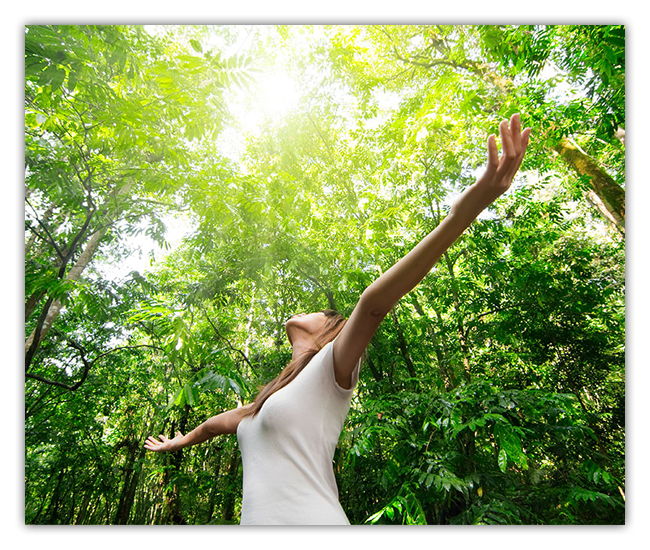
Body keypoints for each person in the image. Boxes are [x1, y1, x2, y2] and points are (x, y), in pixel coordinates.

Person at [144, 114, 532, 524]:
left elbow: (372, 303)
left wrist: (465, 210)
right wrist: (178, 442)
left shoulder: (332, 367)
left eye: (320, 312)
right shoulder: (261, 405)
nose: (305, 311)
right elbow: (211, 425)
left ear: (329, 330)